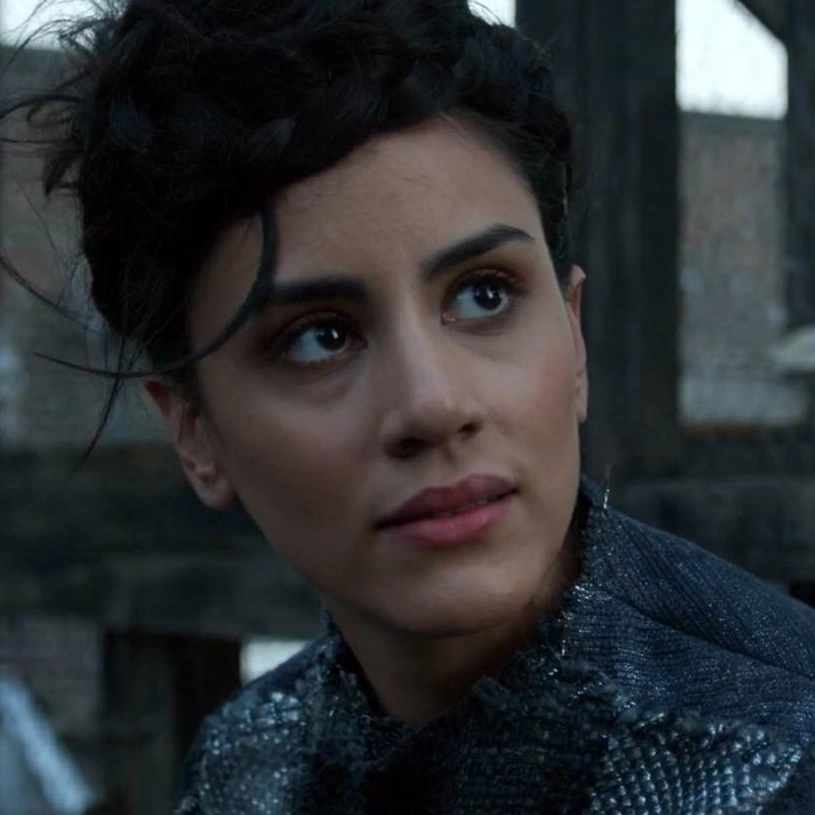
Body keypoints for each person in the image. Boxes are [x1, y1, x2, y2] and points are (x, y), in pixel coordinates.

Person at [3, 0, 815, 811]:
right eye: (319, 338)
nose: (431, 404)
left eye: (484, 294)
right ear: (195, 433)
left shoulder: (784, 747)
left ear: (571, 337)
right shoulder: (245, 771)